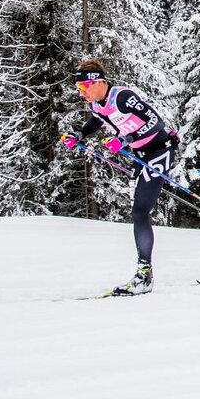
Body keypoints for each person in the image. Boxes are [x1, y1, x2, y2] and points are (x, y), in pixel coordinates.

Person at [62, 58, 178, 296]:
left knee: (140, 211)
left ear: (98, 83)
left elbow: (154, 122)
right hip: (141, 155)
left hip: (160, 149)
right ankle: (144, 274)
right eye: (78, 89)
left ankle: (144, 275)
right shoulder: (97, 106)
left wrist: (126, 140)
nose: (81, 92)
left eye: (84, 87)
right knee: (138, 211)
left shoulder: (122, 96)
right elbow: (97, 121)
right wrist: (79, 135)